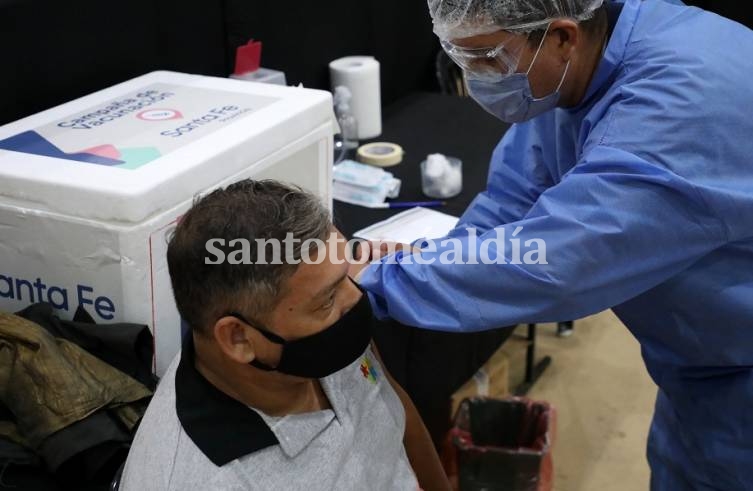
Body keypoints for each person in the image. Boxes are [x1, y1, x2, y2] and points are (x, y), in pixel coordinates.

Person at [351, 1, 753, 489]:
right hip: (702, 364)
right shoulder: (578, 64)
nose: (477, 78)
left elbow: (559, 261)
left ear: (563, 37)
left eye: (488, 59)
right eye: (461, 58)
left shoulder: (680, 101)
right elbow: (517, 195)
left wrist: (381, 282)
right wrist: (438, 259)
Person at [120, 180, 449, 490]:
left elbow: (394, 416)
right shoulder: (203, 479)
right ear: (238, 338)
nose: (357, 297)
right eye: (329, 298)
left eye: (345, 272)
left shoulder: (317, 323)